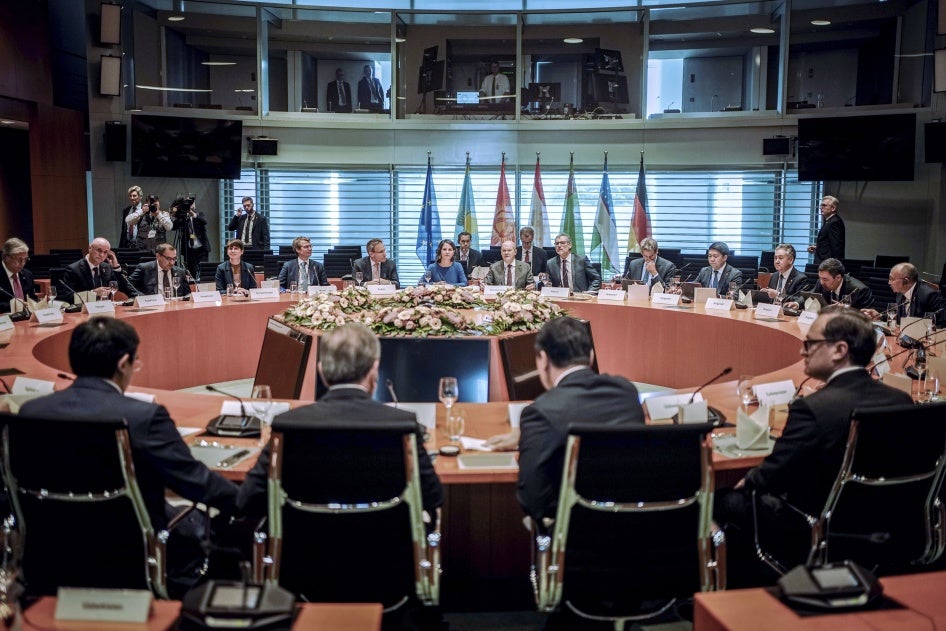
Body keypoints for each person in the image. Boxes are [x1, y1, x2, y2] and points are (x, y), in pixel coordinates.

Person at [19, 317, 239, 592]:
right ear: (123, 364)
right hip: (128, 557)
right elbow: (195, 482)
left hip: (49, 558)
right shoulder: (143, 417)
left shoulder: (31, 413)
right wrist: (248, 500)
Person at [714, 307, 912, 584]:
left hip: (815, 523)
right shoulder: (900, 400)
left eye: (811, 344)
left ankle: (735, 593)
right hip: (886, 521)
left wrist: (746, 482)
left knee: (723, 501)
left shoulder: (814, 408)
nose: (802, 352)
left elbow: (772, 475)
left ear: (839, 350)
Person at [236, 322, 443, 523]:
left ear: (321, 371)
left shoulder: (286, 424)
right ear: (374, 371)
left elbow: (248, 499)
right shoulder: (403, 424)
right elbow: (433, 495)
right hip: (390, 552)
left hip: (302, 552)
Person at [516, 317, 645, 525]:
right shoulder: (627, 393)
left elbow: (533, 501)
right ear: (591, 356)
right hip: (634, 528)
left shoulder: (539, 412)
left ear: (543, 359)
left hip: (574, 539)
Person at [862, 262, 945, 326]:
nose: (889, 282)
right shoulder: (900, 293)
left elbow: (940, 324)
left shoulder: (929, 295)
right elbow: (899, 318)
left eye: (892, 279)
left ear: (906, 281)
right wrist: (880, 316)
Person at [61, 237, 138, 304]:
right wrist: (93, 293)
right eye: (99, 250)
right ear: (90, 248)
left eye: (105, 252)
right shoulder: (73, 269)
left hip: (105, 310)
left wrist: (116, 267)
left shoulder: (108, 268)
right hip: (83, 312)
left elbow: (125, 288)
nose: (102, 255)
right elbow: (68, 297)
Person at [784, 258, 872, 311]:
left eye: (825, 279)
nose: (822, 282)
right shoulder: (821, 282)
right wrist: (797, 303)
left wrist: (847, 311)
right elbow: (811, 296)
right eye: (820, 278)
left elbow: (866, 315)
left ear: (838, 278)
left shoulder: (859, 290)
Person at [171, 199, 210, 282]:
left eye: (192, 204)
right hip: (188, 250)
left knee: (203, 270)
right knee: (190, 273)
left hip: (201, 249)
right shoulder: (183, 217)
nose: (190, 206)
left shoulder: (199, 214)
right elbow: (174, 227)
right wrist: (174, 214)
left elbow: (204, 222)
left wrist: (192, 214)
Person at [1, 238, 37, 312]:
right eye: (19, 260)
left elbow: (32, 298)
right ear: (6, 258)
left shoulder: (28, 275)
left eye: (25, 259)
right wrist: (16, 306)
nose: (22, 263)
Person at [808, 195, 845, 265]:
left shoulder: (834, 222)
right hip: (824, 263)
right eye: (821, 205)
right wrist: (818, 247)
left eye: (824, 205)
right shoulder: (829, 221)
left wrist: (834, 267)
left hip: (827, 266)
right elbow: (829, 242)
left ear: (833, 208)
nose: (821, 207)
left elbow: (836, 247)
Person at [119, 185, 143, 249]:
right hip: (127, 245)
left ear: (140, 197)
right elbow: (123, 230)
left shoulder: (145, 211)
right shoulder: (126, 210)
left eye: (134, 196)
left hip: (141, 246)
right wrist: (121, 247)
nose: (132, 198)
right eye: (130, 196)